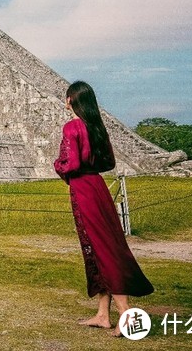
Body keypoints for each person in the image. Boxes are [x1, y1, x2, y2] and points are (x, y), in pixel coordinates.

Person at [54, 80, 154, 337]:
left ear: (70, 101)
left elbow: (71, 163)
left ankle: (126, 314)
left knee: (101, 248)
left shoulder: (72, 128)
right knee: (99, 247)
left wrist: (59, 165)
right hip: (97, 186)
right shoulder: (97, 128)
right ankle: (102, 314)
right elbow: (108, 162)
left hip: (83, 190)